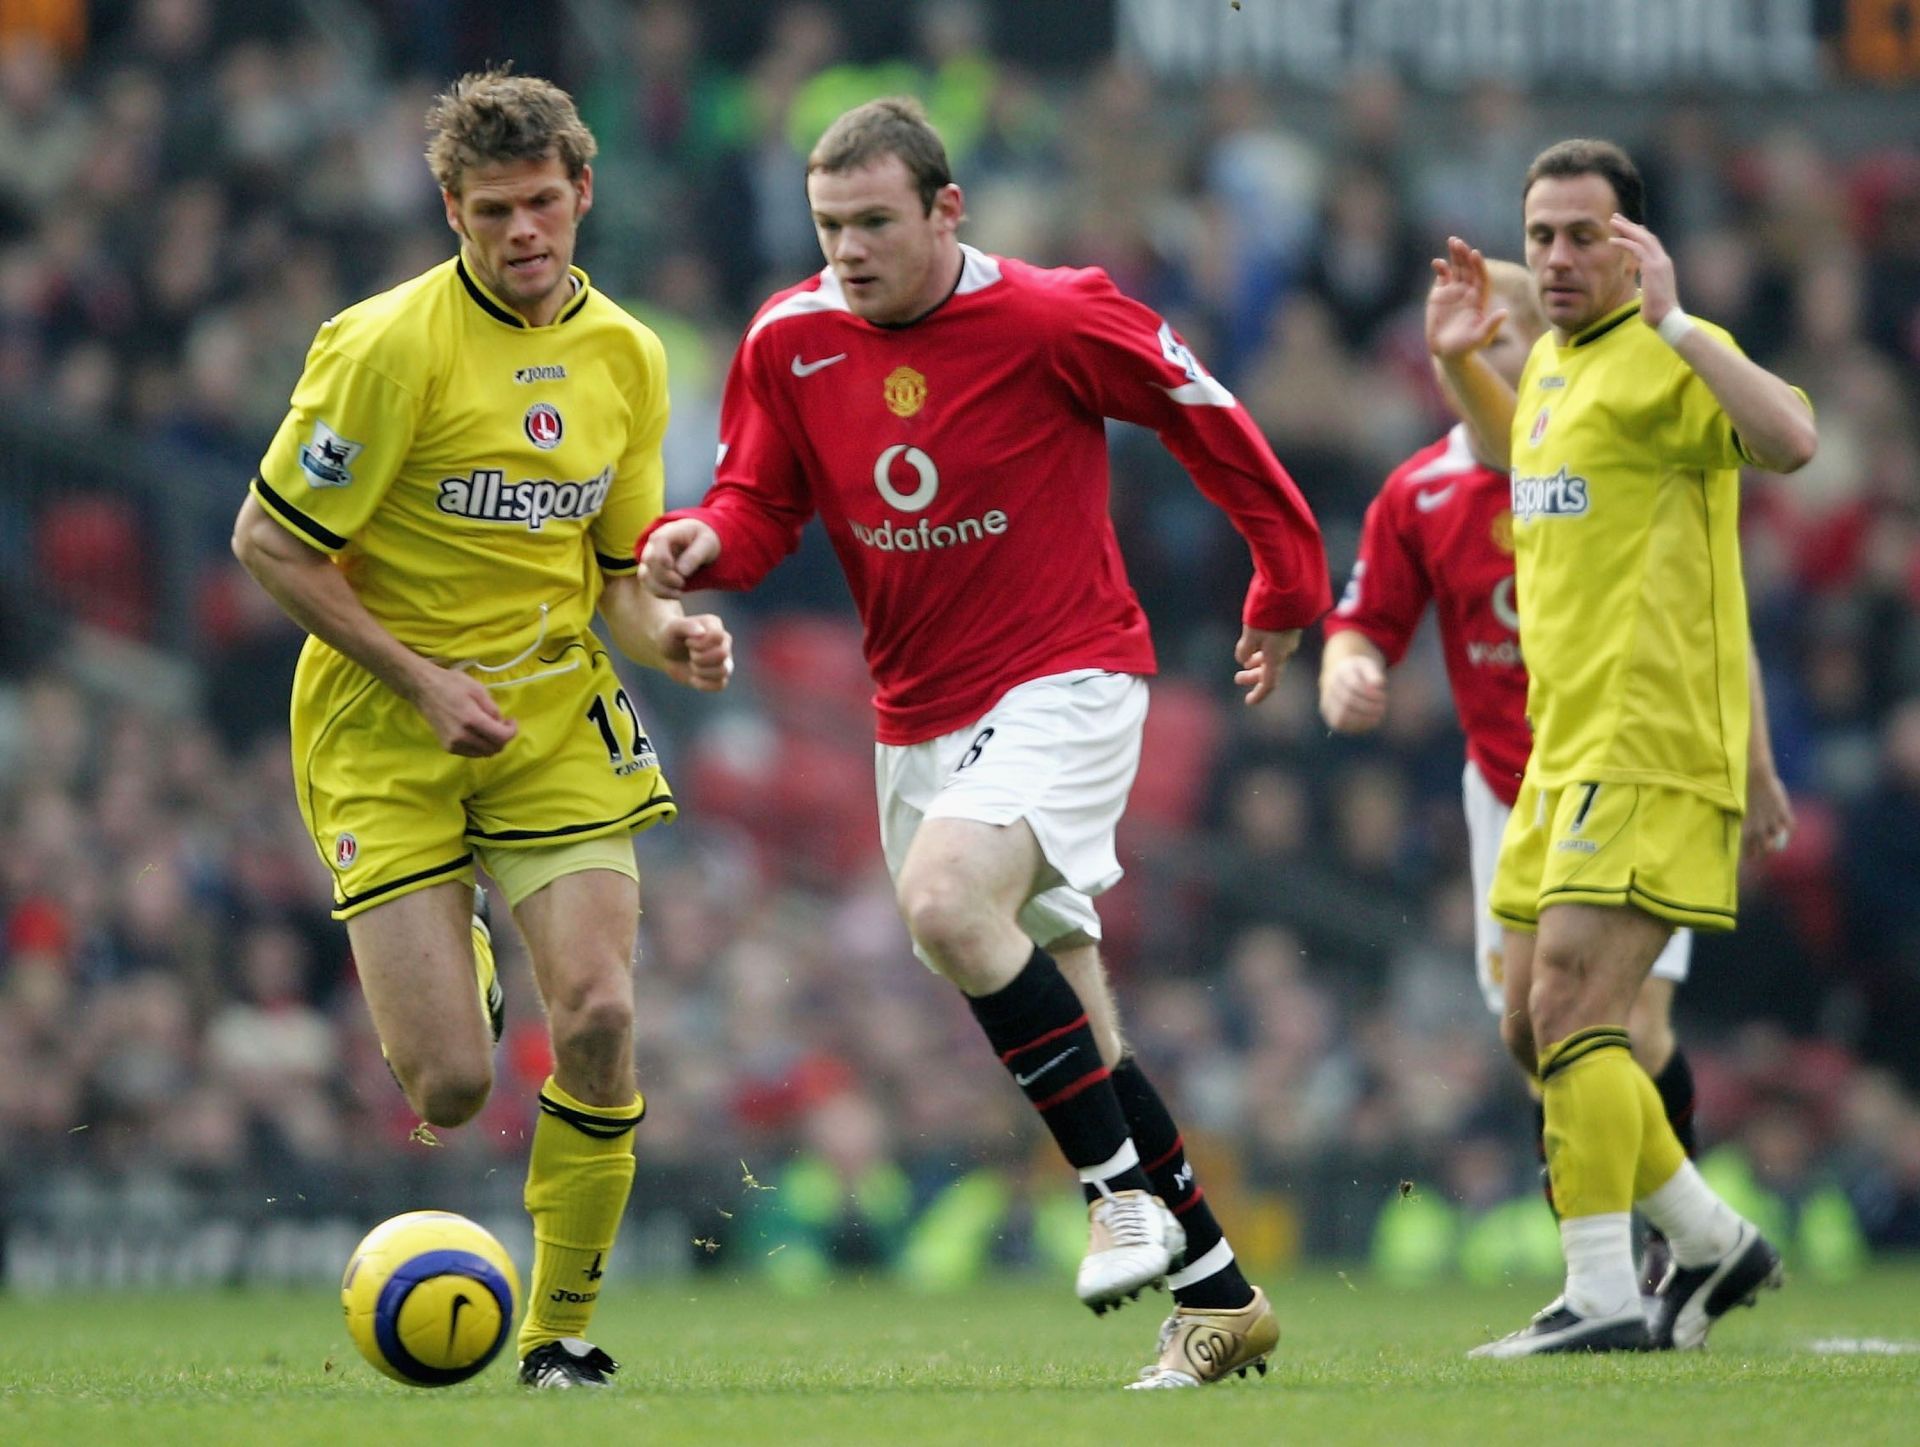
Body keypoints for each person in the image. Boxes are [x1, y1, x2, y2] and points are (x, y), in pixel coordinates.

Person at [639, 96, 1329, 1388]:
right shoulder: (789, 339)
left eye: (876, 223)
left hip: (1071, 675)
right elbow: (759, 500)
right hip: (918, 719)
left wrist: (1287, 578)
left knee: (949, 898)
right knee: (1069, 997)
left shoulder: (1052, 314)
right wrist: (703, 543)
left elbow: (1204, 408)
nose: (848, 249)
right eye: (829, 225)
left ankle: (1113, 1191)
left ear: (947, 210)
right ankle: (1219, 1293)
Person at [230, 68, 732, 1390]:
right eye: (493, 209)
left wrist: (667, 633)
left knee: (605, 1012)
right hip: (385, 723)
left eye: (545, 203)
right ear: (450, 208)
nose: (524, 233)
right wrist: (418, 678)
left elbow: (619, 573)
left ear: (584, 194)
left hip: (554, 707)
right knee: (451, 1086)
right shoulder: (385, 346)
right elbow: (271, 542)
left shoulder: (627, 355)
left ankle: (559, 1332)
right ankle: (459, 948)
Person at [1319, 259, 1798, 1298]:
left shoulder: (1611, 453)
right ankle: (1702, 1237)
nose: (1496, 358)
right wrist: (1348, 669)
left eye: (1511, 337)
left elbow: (1720, 612)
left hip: (1628, 768)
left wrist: (1755, 763)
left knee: (1625, 1023)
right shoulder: (1427, 488)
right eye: (1477, 341)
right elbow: (1362, 621)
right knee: (1532, 1030)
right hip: (1509, 784)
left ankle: (1633, 1267)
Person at [1427, 138, 1816, 1356]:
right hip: (1562, 749)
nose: (1552, 258)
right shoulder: (1549, 365)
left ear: (1635, 245)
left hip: (1648, 745)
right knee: (1524, 1025)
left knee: (1578, 1007)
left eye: (1581, 235)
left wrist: (1687, 319)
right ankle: (1708, 1237)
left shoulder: (1663, 360)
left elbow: (1794, 437)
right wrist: (1458, 364)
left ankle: (1598, 1290)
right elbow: (1523, 462)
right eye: (1538, 234)